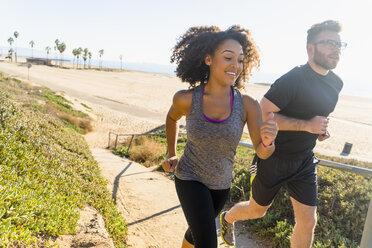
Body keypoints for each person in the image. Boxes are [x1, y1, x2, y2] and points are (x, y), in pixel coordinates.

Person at [220, 20, 346, 247]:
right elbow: (262, 114)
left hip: (304, 160)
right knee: (257, 210)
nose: (336, 49)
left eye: (339, 44)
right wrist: (308, 125)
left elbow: (316, 114)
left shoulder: (336, 84)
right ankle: (228, 218)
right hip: (273, 156)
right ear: (311, 48)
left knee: (308, 221)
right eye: (329, 43)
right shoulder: (293, 79)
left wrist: (319, 131)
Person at [162, 25, 278, 248]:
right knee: (207, 241)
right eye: (228, 57)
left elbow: (263, 152)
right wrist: (171, 152)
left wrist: (268, 140)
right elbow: (171, 119)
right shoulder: (186, 99)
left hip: (220, 186)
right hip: (189, 178)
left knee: (196, 233)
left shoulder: (248, 105)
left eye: (241, 60)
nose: (236, 65)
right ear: (208, 59)